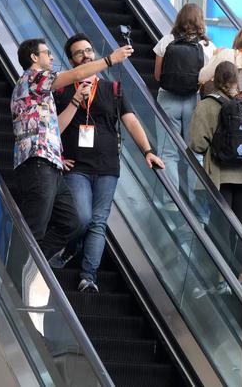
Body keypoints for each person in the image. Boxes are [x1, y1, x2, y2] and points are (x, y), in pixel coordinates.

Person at [53, 34, 164, 292]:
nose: (86, 55)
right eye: (79, 53)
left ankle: (88, 277)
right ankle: (72, 247)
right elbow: (51, 128)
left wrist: (147, 150)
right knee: (82, 217)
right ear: (71, 61)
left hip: (106, 167)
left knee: (98, 221)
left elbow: (131, 120)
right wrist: (57, 156)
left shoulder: (112, 89)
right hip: (76, 166)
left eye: (89, 50)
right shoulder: (62, 90)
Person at [10, 37, 133, 264]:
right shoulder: (34, 77)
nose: (52, 56)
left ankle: (33, 266)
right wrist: (110, 59)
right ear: (34, 58)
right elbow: (76, 74)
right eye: (47, 53)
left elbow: (51, 126)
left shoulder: (39, 88)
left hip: (50, 164)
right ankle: (13, 279)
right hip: (37, 163)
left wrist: (59, 155)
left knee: (72, 222)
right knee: (34, 229)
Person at [189, 61, 242, 226]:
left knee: (220, 229)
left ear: (215, 79)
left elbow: (197, 144)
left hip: (219, 177)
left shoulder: (206, 105)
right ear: (237, 80)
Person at [153, 3, 215, 191]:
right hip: (193, 101)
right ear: (200, 21)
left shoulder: (166, 41)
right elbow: (207, 80)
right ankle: (194, 204)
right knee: (195, 153)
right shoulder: (207, 46)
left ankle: (171, 202)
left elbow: (157, 76)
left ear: (179, 18)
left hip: (167, 99)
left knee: (167, 152)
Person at [198, 26, 242, 97]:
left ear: (237, 39)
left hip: (221, 104)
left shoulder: (226, 53)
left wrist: (214, 56)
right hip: (241, 107)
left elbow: (202, 77)